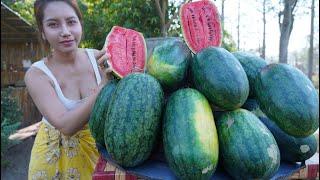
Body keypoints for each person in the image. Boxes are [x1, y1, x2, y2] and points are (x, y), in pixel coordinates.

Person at [25, 0, 112, 179]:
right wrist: (103, 87)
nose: (65, 32)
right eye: (53, 24)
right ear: (42, 32)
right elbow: (66, 125)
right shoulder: (37, 74)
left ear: (80, 24)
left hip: (101, 154)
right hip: (54, 160)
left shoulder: (99, 59)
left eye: (71, 22)